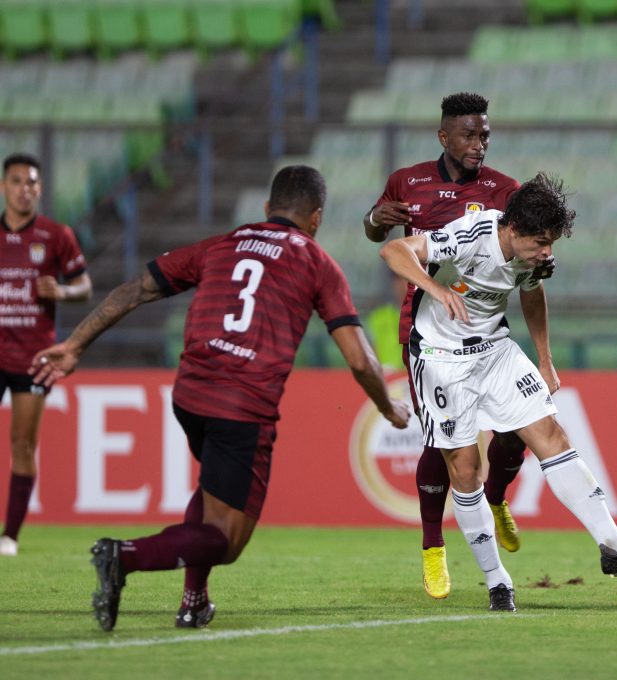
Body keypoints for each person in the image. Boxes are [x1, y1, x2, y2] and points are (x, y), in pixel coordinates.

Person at [31, 165, 410, 631]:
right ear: (316, 219)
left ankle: (194, 600)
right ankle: (122, 556)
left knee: (212, 494)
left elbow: (136, 290)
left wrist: (75, 345)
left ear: (267, 209)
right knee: (226, 540)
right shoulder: (317, 262)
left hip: (190, 395)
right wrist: (388, 406)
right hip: (242, 406)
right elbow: (358, 358)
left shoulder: (222, 244)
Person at [380, 172, 617, 612]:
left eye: (552, 243)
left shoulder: (531, 256)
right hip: (440, 355)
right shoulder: (469, 236)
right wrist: (435, 288)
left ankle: (614, 546)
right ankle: (498, 582)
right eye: (541, 243)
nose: (547, 252)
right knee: (464, 467)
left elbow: (532, 294)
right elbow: (393, 249)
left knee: (553, 435)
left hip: (494, 349)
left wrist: (545, 358)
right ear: (512, 230)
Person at [364, 92, 554, 600]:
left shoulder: (506, 190)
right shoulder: (408, 181)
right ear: (444, 136)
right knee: (444, 442)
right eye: (469, 135)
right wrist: (375, 218)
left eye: (485, 134)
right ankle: (432, 549)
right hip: (427, 329)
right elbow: (375, 232)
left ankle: (495, 497)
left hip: (488, 329)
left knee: (515, 428)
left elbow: (531, 271)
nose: (479, 143)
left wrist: (544, 354)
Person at [1, 153, 92, 557]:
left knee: (22, 443)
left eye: (32, 182)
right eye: (17, 181)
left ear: (40, 188)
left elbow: (84, 286)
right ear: (4, 186)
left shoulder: (56, 235)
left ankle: (10, 537)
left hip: (33, 357)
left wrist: (64, 291)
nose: (25, 189)